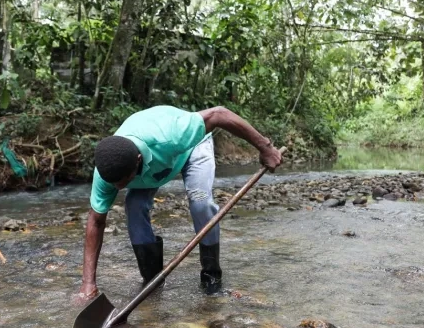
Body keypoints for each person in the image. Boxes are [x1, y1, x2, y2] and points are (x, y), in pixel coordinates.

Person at [77, 105, 282, 299]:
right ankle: (152, 281)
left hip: (191, 149)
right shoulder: (107, 172)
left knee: (200, 202)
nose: (119, 189)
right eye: (115, 184)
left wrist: (266, 147)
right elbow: (96, 221)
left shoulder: (172, 134)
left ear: (138, 160)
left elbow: (219, 114)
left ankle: (211, 277)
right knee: (134, 206)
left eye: (124, 181)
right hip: (155, 168)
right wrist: (88, 284)